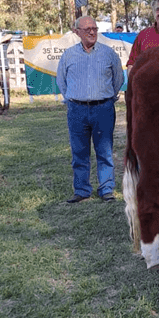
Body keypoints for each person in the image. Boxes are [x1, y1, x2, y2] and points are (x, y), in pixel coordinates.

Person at [56, 16, 125, 204]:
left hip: (103, 108)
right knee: (79, 152)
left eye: (94, 28)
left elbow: (118, 79)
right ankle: (82, 190)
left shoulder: (108, 54)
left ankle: (107, 189)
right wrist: (73, 99)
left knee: (105, 152)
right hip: (77, 110)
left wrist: (107, 97)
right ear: (77, 32)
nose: (92, 32)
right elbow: (61, 81)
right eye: (87, 29)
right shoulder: (68, 55)